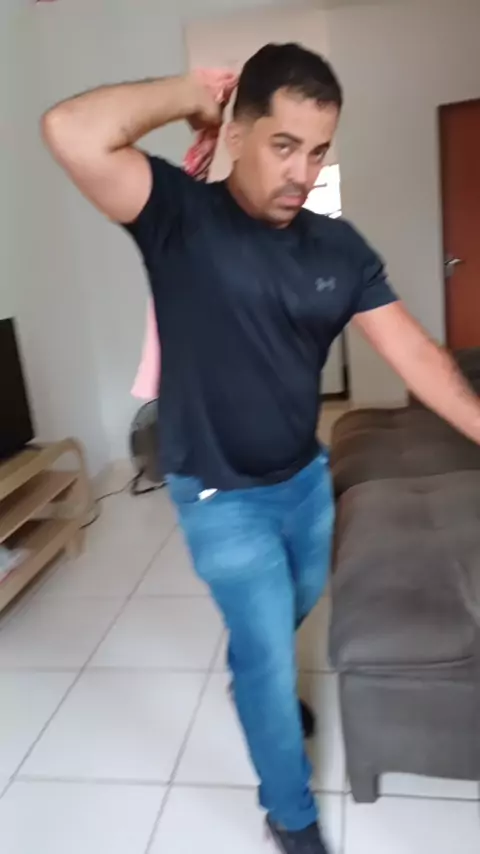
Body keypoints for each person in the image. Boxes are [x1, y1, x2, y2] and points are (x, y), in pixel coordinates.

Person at [42, 43, 480, 854]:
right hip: (219, 497)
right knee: (271, 661)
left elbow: (420, 357)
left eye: (317, 151)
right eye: (283, 145)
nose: (301, 172)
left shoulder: (337, 248)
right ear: (239, 133)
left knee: (284, 621)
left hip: (306, 482)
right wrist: (187, 93)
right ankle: (290, 814)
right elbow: (70, 129)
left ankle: (256, 676)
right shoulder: (178, 217)